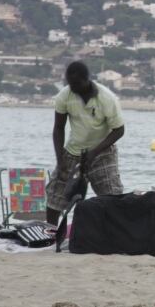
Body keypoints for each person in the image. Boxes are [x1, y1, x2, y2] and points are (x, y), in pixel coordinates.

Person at [46, 61, 125, 225]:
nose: (73, 88)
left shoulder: (107, 98)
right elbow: (58, 128)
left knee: (113, 198)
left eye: (77, 84)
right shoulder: (64, 96)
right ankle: (51, 234)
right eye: (70, 83)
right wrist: (60, 161)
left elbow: (119, 130)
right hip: (73, 152)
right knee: (55, 198)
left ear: (87, 79)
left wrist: (94, 152)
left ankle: (114, 236)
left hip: (102, 152)